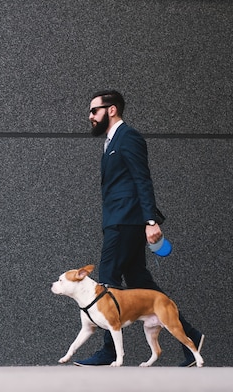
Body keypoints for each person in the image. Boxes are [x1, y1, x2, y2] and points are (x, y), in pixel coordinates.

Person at [74, 90, 205, 367]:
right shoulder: (111, 141)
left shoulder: (128, 137)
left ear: (111, 110)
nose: (90, 116)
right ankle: (191, 335)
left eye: (94, 110)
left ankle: (110, 351)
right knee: (139, 281)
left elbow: (142, 179)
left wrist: (150, 221)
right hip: (119, 220)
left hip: (126, 221)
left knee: (107, 279)